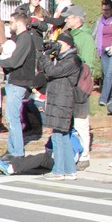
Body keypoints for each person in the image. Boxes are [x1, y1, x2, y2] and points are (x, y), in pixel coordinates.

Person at [38, 31, 82, 180]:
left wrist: (46, 58)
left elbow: (51, 71)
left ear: (68, 44)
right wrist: (46, 55)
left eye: (60, 43)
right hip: (59, 99)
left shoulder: (72, 60)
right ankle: (69, 170)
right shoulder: (62, 58)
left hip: (63, 100)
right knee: (62, 136)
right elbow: (44, 70)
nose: (58, 45)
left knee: (58, 136)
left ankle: (59, 170)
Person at [0, 12, 38, 160]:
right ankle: (12, 149)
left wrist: (2, 63)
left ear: (20, 23)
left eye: (12, 22)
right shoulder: (20, 38)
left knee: (13, 117)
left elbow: (16, 61)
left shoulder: (25, 38)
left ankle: (17, 152)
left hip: (19, 81)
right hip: (14, 80)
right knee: (11, 117)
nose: (10, 25)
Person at [62, 5, 95, 169]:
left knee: (81, 122)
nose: (66, 19)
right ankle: (71, 150)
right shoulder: (68, 34)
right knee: (68, 121)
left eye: (69, 17)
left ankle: (84, 156)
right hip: (67, 84)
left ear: (77, 19)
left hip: (80, 85)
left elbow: (87, 65)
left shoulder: (86, 38)